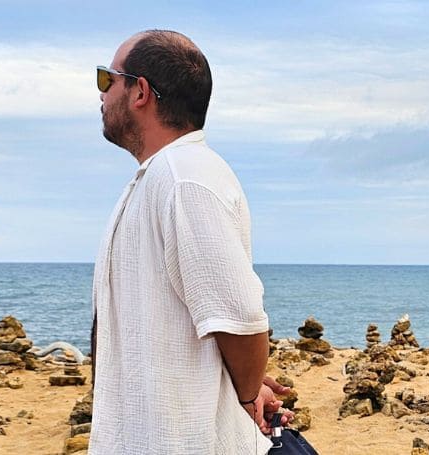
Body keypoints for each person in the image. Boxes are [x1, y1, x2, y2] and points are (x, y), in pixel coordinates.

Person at [89, 29, 291, 454]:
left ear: (140, 91)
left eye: (107, 79)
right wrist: (243, 386)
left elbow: (240, 320)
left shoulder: (186, 177)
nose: (101, 94)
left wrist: (248, 395)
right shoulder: (160, 177)